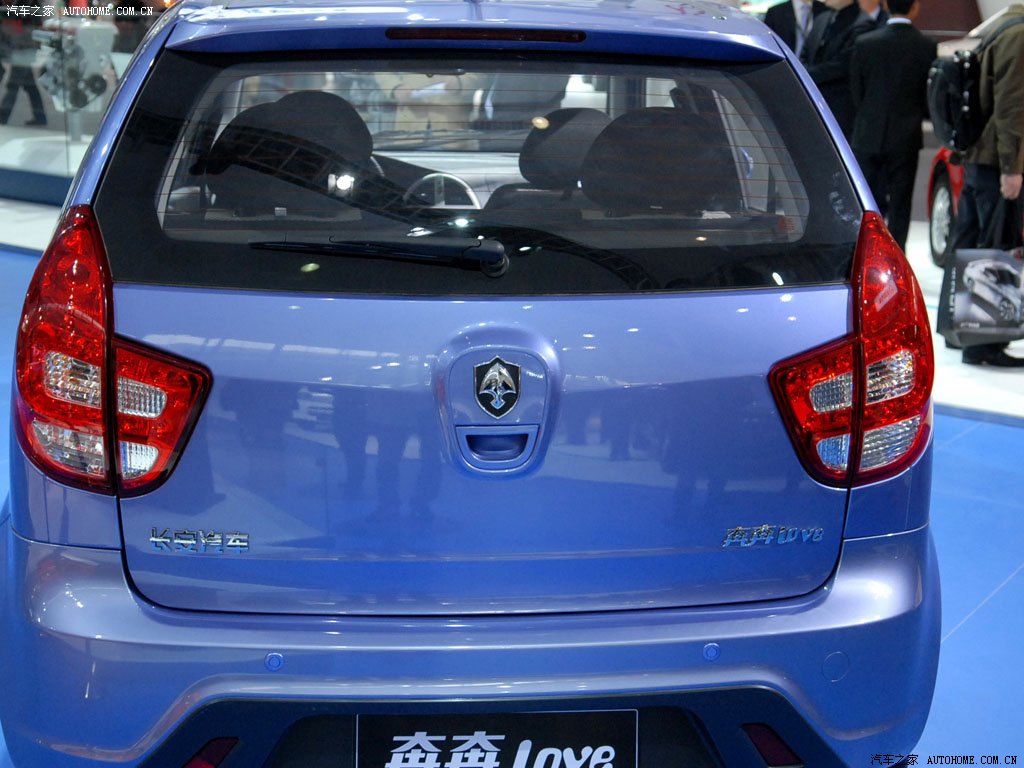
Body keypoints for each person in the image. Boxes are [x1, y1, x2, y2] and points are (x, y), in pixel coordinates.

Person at [951, 4, 1024, 367]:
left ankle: (959, 332)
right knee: (995, 249)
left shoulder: (1002, 26)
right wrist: (1012, 168)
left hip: (979, 155)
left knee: (969, 243)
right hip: (996, 160)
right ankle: (984, 345)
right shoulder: (1019, 35)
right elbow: (1011, 107)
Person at [849, 0, 935, 253]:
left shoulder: (865, 43)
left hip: (868, 133)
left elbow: (856, 91)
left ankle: (864, 254)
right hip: (906, 136)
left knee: (866, 202)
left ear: (886, 5)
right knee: (901, 203)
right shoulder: (926, 46)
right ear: (915, 7)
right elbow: (927, 95)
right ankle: (896, 257)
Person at [800, 0, 874, 138]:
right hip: (810, 102)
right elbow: (805, 53)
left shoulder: (863, 23)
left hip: (838, 110)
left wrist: (804, 75)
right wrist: (801, 71)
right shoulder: (822, 18)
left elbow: (841, 65)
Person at [0, 16, 47, 127]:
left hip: (23, 51)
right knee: (31, 88)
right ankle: (40, 117)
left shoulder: (24, 14)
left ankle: (3, 117)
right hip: (24, 50)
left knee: (13, 86)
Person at [763, 0, 828, 58]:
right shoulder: (775, 12)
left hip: (814, 66)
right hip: (784, 64)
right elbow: (767, 45)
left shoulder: (824, 9)